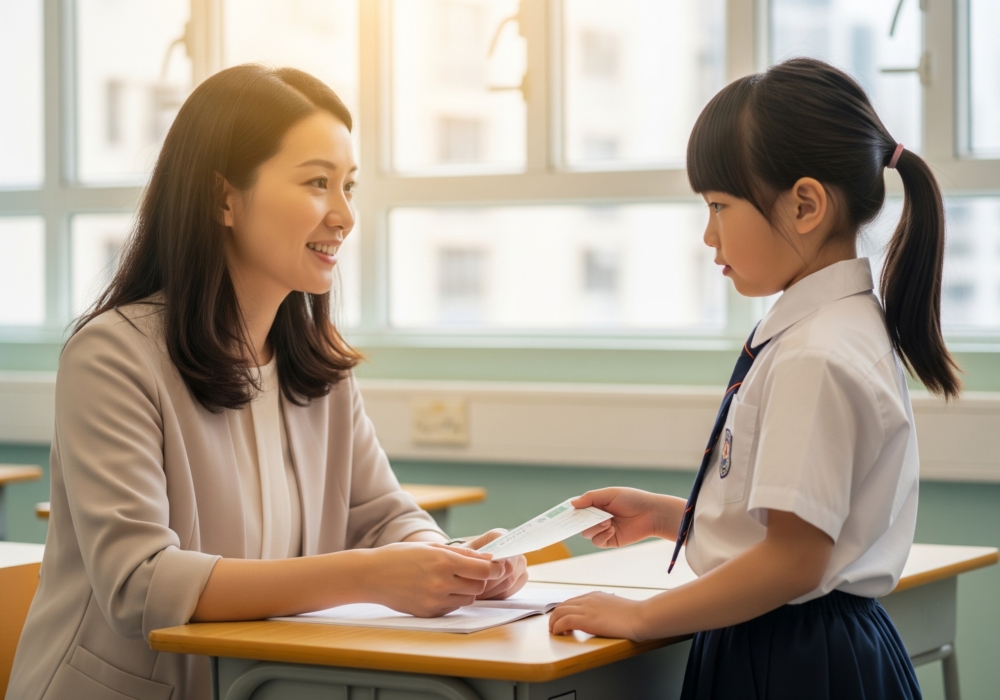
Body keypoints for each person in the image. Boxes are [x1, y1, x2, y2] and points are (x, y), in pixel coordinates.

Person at [7, 64, 526, 700]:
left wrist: (452, 561)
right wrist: (371, 576)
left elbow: (384, 517)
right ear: (223, 197)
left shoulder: (315, 366)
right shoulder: (113, 355)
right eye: (316, 183)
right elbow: (138, 583)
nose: (344, 215)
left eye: (348, 187)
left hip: (258, 686)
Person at [548, 57, 959, 699]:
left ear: (804, 205)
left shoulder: (816, 354)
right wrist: (672, 518)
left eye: (718, 205)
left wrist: (639, 615)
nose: (708, 234)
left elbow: (796, 561)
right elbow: (797, 529)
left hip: (790, 656)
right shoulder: (830, 330)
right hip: (800, 642)